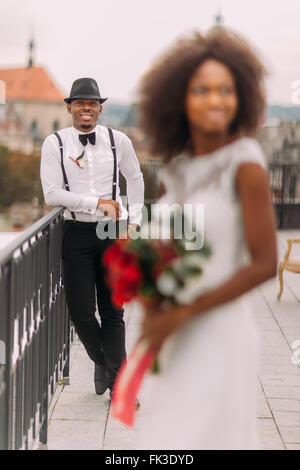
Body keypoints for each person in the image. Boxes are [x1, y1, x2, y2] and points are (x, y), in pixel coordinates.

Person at [136, 28, 277, 449]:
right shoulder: (176, 173)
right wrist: (153, 303)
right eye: (202, 89)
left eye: (225, 90)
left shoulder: (246, 165)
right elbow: (164, 250)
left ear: (241, 98)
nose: (215, 100)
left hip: (219, 331)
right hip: (173, 335)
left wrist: (186, 311)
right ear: (179, 97)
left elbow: (264, 264)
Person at [40, 77, 144, 398]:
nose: (87, 108)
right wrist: (95, 203)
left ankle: (120, 383)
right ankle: (108, 364)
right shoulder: (55, 143)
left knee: (113, 310)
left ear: (100, 108)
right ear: (70, 107)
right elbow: (52, 193)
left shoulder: (119, 140)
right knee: (82, 311)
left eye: (93, 103)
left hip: (111, 231)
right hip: (76, 231)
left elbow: (135, 178)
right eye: (81, 103)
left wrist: (135, 221)